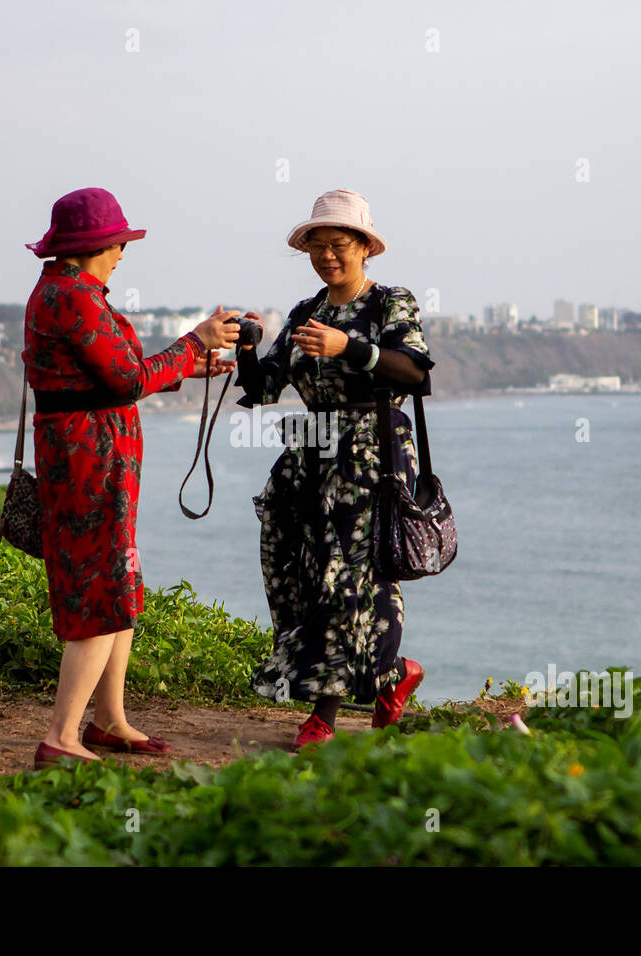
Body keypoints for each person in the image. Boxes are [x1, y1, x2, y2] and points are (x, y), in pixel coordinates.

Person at [23, 187, 241, 769]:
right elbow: (122, 380)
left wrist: (194, 367)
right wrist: (195, 341)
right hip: (88, 461)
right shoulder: (73, 297)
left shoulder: (70, 291)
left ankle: (108, 720)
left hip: (93, 457)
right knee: (101, 591)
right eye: (119, 242)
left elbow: (112, 375)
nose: (123, 251)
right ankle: (61, 736)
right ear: (97, 243)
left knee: (117, 583)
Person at [235, 189, 435, 750]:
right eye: (316, 246)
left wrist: (350, 346)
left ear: (365, 247)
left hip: (372, 455)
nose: (327, 255)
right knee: (291, 568)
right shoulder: (305, 313)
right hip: (310, 455)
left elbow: (414, 373)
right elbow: (265, 387)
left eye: (338, 244)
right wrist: (249, 347)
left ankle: (324, 715)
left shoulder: (389, 303)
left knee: (345, 577)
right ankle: (393, 677)